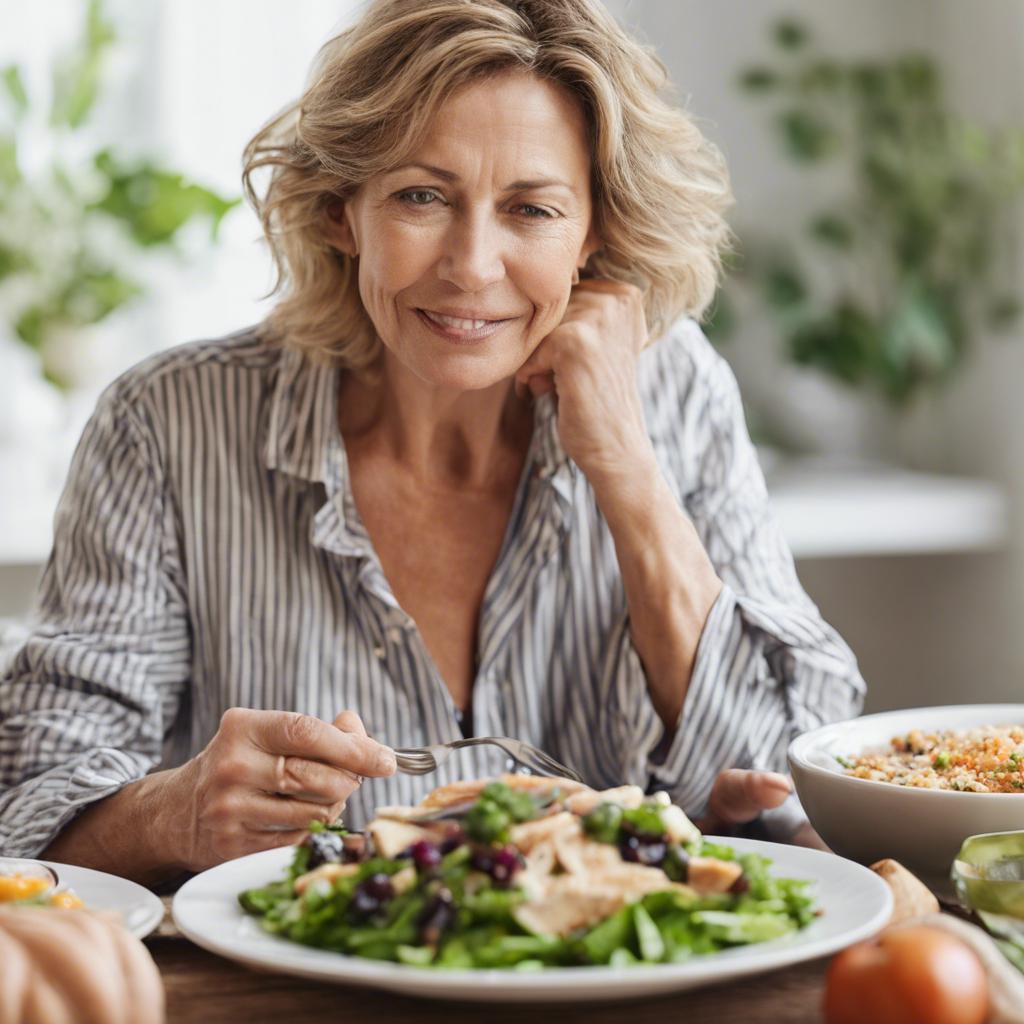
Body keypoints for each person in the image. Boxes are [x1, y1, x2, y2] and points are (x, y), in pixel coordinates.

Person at [0, 0, 863, 882]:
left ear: (593, 230)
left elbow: (787, 778)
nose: (471, 266)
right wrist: (171, 813)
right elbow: (30, 802)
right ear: (343, 208)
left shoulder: (676, 391)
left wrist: (626, 468)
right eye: (422, 195)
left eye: (531, 209)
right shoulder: (166, 422)